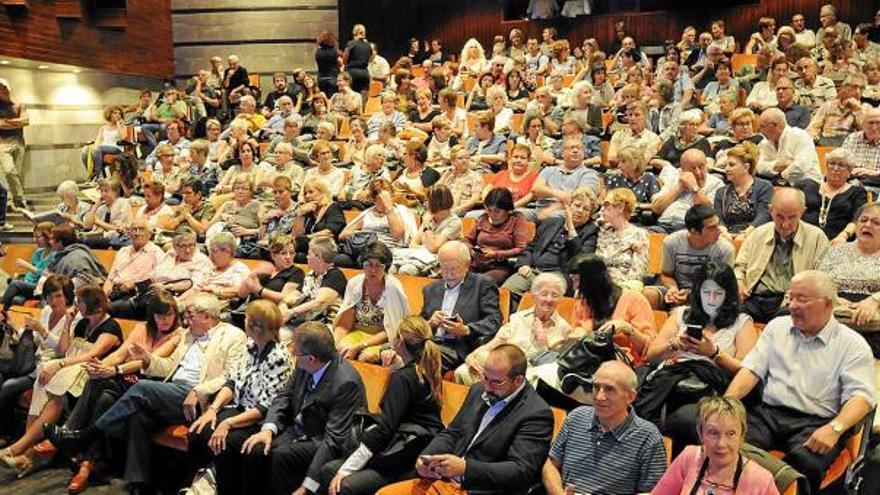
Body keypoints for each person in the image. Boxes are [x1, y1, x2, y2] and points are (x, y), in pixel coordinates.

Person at [45, 293, 246, 494]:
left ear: (207, 316)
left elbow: (229, 376)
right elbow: (168, 367)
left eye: (191, 315)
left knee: (141, 389)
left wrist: (198, 390)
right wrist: (148, 360)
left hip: (197, 396)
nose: (186, 320)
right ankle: (138, 483)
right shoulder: (188, 335)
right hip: (172, 390)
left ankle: (85, 436)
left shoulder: (232, 336)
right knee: (138, 415)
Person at [725, 270, 875, 493]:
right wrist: (727, 403)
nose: (793, 305)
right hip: (768, 414)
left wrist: (835, 428)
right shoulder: (777, 327)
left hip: (816, 422)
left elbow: (862, 397)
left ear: (827, 303)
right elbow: (751, 371)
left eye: (802, 299)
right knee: (726, 444)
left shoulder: (852, 344)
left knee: (806, 465)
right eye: (791, 297)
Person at [377, 344, 554, 495]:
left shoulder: (536, 414)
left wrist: (466, 469)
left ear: (518, 380)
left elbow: (520, 471)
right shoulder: (478, 390)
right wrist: (426, 458)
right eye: (485, 377)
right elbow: (453, 432)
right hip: (445, 480)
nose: (487, 386)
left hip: (480, 489)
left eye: (496, 382)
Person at [52, 291, 181, 493]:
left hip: (147, 386)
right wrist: (101, 367)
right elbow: (121, 353)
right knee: (99, 387)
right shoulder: (142, 328)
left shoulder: (178, 335)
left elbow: (147, 362)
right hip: (124, 381)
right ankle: (87, 464)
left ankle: (72, 435)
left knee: (103, 390)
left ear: (175, 314)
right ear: (151, 315)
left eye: (168, 315)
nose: (163, 320)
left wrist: (113, 370)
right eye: (158, 315)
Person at [218, 321, 365, 494]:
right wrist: (268, 429)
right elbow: (284, 396)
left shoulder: (346, 383)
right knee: (253, 448)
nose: (292, 352)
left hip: (320, 437)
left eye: (296, 351)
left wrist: (308, 486)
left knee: (282, 456)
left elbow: (333, 439)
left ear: (311, 358)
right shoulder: (306, 362)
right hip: (296, 427)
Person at [0, 286, 122, 477]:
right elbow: (65, 349)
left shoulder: (111, 327)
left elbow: (92, 354)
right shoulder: (82, 324)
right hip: (71, 372)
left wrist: (60, 364)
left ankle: (20, 450)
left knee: (56, 395)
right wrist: (67, 322)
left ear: (91, 304)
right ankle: (25, 453)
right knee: (41, 381)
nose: (76, 305)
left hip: (90, 379)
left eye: (79, 302)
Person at [320, 316, 445, 495]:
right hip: (415, 451)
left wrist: (346, 469)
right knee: (331, 468)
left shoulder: (405, 377)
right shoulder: (427, 372)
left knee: (333, 473)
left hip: (400, 457)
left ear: (400, 340)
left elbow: (385, 428)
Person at [187, 300, 293, 495]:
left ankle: (222, 488)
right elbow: (232, 382)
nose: (243, 321)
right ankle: (201, 482)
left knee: (228, 442)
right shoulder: (250, 345)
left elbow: (266, 407)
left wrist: (228, 423)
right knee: (199, 430)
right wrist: (212, 410)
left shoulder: (278, 357)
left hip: (259, 418)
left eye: (247, 318)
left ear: (255, 327)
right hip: (239, 408)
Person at [638, 262, 758, 425]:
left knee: (686, 420)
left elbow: (746, 371)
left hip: (711, 390)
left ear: (728, 294)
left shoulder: (742, 322)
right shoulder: (681, 314)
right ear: (697, 292)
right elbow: (651, 356)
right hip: (669, 382)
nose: (711, 299)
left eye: (718, 293)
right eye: (706, 292)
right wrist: (673, 345)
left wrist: (714, 353)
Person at [543, 361, 667, 495]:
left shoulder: (648, 437)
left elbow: (655, 493)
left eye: (609, 389)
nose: (599, 396)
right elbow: (550, 463)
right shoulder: (577, 418)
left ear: (631, 397)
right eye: (596, 387)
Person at [457, 273, 579, 386]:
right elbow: (493, 344)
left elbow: (552, 369)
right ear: (534, 295)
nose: (549, 299)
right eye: (544, 294)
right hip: (502, 368)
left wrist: (542, 342)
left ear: (560, 299)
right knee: (463, 371)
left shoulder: (564, 329)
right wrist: (471, 356)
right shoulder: (517, 318)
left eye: (555, 295)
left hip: (530, 376)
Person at [734, 188, 831, 323]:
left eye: (792, 217)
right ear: (770, 210)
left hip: (792, 301)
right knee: (728, 312)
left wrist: (796, 297)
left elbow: (823, 278)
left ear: (802, 212)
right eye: (779, 216)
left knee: (786, 319)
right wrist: (739, 281)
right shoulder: (758, 233)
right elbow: (740, 266)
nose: (785, 224)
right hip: (755, 297)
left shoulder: (817, 238)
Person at [0, 276, 73, 448]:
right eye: (49, 296)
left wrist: (42, 330)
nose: (52, 301)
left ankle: (8, 435)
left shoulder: (71, 318)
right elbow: (34, 340)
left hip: (51, 369)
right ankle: (6, 432)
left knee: (9, 386)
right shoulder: (47, 311)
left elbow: (63, 351)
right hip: (32, 362)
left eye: (58, 296)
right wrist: (17, 328)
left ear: (67, 296)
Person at [652, 396, 780, 495]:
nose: (721, 444)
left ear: (742, 436)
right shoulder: (688, 457)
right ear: (701, 434)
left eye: (730, 434)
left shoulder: (761, 480)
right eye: (713, 433)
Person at [503, 186, 599, 307]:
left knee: (546, 298)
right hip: (533, 270)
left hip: (558, 275)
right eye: (577, 205)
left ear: (590, 215)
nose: (580, 210)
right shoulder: (551, 223)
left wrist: (571, 229)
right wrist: (524, 264)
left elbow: (582, 261)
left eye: (586, 209)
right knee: (506, 292)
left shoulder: (590, 231)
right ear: (569, 206)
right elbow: (530, 247)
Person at [420, 241, 502, 372]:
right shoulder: (430, 289)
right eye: (444, 268)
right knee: (393, 349)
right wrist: (430, 324)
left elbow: (494, 321)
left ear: (466, 265)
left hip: (457, 347)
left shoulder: (482, 285)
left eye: (454, 268)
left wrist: (465, 330)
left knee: (421, 355)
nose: (448, 274)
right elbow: (420, 322)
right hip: (431, 341)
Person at [645, 205, 735, 310]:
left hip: (708, 294)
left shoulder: (725, 249)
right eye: (712, 228)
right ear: (694, 231)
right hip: (678, 289)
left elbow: (722, 286)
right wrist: (673, 288)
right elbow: (666, 274)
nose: (719, 231)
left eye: (718, 225)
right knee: (649, 294)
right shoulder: (672, 242)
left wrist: (690, 296)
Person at [334, 241, 409, 363]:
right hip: (358, 332)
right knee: (342, 349)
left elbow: (392, 329)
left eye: (378, 265)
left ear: (386, 268)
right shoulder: (355, 283)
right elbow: (344, 324)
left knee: (366, 357)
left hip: (384, 338)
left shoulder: (393, 288)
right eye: (368, 264)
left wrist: (361, 345)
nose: (372, 270)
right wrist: (333, 344)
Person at [818, 202, 880, 340]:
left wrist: (875, 300)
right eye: (863, 220)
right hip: (833, 308)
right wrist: (834, 299)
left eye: (876, 223)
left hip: (870, 313)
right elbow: (819, 280)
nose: (867, 225)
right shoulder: (838, 250)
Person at [799, 148, 868, 241]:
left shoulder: (857, 193)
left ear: (849, 171)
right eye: (832, 163)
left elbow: (858, 219)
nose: (835, 168)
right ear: (826, 166)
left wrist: (843, 236)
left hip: (839, 241)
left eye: (841, 165)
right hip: (805, 238)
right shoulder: (807, 185)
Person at [280, 237, 347, 331]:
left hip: (323, 325)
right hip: (303, 322)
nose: (306, 257)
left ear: (318, 258)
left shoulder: (335, 275)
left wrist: (292, 312)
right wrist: (283, 305)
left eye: (309, 254)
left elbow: (320, 302)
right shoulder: (310, 275)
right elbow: (293, 296)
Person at [650, 149, 724, 233]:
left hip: (690, 229)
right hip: (663, 225)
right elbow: (656, 208)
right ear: (682, 170)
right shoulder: (674, 178)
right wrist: (679, 187)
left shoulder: (716, 183)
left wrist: (694, 187)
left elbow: (708, 212)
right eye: (692, 169)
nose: (698, 172)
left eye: (701, 166)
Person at [467, 188, 531, 284]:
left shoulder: (517, 219)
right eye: (489, 210)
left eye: (497, 211)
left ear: (507, 209)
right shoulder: (483, 218)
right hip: (478, 262)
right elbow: (468, 240)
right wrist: (469, 249)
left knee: (481, 282)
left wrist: (497, 254)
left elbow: (521, 248)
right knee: (456, 274)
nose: (492, 214)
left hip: (502, 265)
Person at [103, 218, 165, 314]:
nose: (137, 233)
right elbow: (110, 279)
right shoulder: (123, 251)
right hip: (115, 291)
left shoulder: (156, 252)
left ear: (149, 233)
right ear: (129, 233)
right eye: (134, 229)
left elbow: (159, 278)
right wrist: (104, 297)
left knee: (106, 309)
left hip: (135, 295)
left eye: (141, 229)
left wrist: (135, 283)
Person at [714, 142, 774, 239]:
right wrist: (724, 233)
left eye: (731, 165)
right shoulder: (721, 192)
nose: (726, 169)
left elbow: (764, 215)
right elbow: (718, 219)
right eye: (726, 165)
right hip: (727, 236)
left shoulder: (764, 187)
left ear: (746, 167)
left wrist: (746, 234)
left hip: (756, 235)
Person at [596, 188, 650, 289]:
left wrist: (618, 286)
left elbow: (639, 271)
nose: (602, 209)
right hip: (601, 284)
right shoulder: (603, 232)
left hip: (625, 285)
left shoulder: (639, 234)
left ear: (620, 208)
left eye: (607, 205)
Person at [807, 72, 871, 147]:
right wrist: (812, 141)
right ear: (844, 87)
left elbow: (868, 134)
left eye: (862, 88)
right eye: (854, 87)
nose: (858, 92)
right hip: (825, 142)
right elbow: (813, 127)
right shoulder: (828, 105)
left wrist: (857, 110)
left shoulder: (866, 108)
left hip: (850, 145)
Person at [1, 222, 55, 309]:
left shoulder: (55, 255)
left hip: (40, 287)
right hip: (28, 283)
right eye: (34, 237)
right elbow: (31, 275)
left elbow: (49, 276)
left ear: (48, 237)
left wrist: (28, 266)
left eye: (38, 237)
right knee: (17, 299)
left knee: (15, 284)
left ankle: (1, 311)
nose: (34, 240)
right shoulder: (38, 252)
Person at [292, 178, 346, 263]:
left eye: (311, 192)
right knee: (298, 256)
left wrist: (306, 238)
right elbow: (296, 236)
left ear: (322, 192)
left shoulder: (333, 207)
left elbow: (330, 232)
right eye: (305, 193)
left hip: (328, 246)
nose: (307, 196)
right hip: (310, 247)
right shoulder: (308, 210)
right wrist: (300, 214)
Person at [0, 78, 29, 210]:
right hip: (3, 144)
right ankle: (20, 199)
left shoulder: (19, 105)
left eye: (4, 87)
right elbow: (1, 125)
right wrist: (17, 122)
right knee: (9, 170)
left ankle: (14, 201)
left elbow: (26, 121)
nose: (2, 89)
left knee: (16, 173)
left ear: (8, 88)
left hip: (19, 143)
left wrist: (8, 122)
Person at [81, 178, 132, 249]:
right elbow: (87, 226)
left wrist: (99, 222)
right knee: (81, 240)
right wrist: (96, 205)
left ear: (115, 192)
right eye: (101, 191)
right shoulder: (102, 208)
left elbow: (118, 228)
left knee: (85, 242)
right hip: (100, 236)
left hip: (117, 238)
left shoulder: (123, 203)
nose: (103, 194)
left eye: (106, 191)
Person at [82, 105, 124, 180]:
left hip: (116, 149)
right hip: (102, 148)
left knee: (97, 149)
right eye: (115, 113)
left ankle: (98, 176)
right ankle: (92, 173)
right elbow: (99, 140)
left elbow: (123, 138)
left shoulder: (121, 126)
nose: (118, 115)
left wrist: (118, 125)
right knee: (85, 150)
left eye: (119, 113)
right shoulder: (103, 127)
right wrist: (92, 148)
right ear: (109, 114)